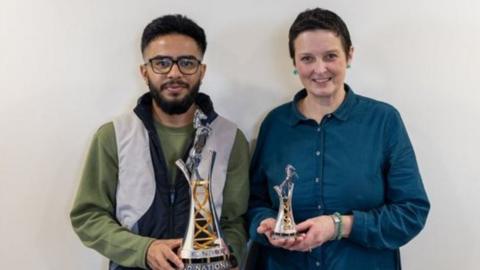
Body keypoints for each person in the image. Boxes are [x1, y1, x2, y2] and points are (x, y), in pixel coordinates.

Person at [247, 8, 430, 269]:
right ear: (294, 63)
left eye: (330, 56)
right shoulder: (274, 125)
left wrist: (339, 226)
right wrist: (262, 224)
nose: (320, 69)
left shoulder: (384, 121)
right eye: (307, 58)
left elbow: (412, 212)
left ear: (349, 55)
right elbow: (254, 202)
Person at [70, 14, 249, 270]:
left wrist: (229, 255)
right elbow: (88, 216)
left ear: (202, 70)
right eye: (161, 62)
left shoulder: (230, 138)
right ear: (144, 72)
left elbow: (235, 219)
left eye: (187, 62)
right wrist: (144, 250)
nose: (174, 73)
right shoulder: (113, 135)